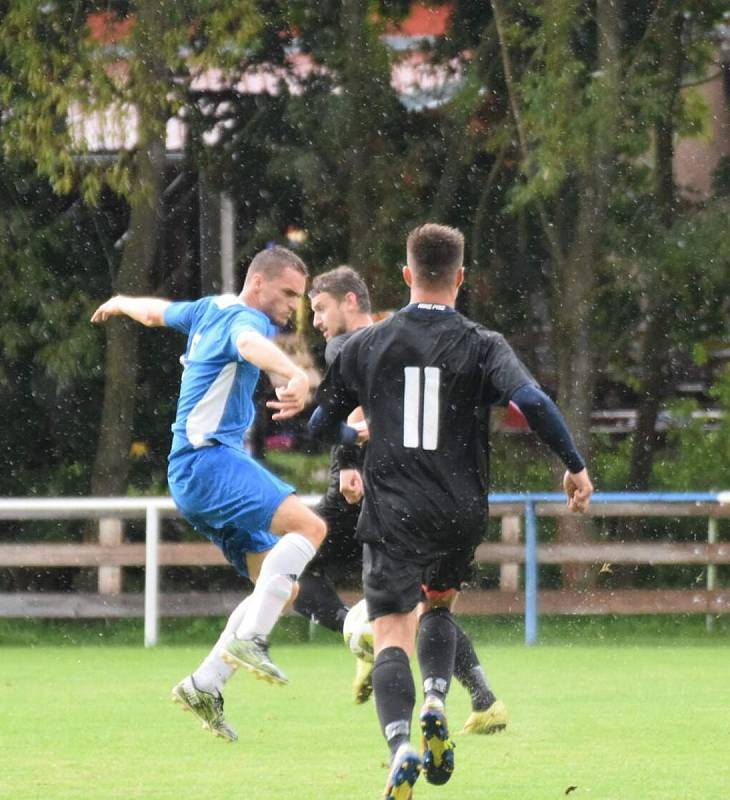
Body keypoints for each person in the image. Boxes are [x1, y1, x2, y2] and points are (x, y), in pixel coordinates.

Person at [309, 224, 593, 799]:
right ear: (461, 278)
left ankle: (401, 748)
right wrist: (574, 463)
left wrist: (355, 431)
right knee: (438, 606)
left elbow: (318, 427)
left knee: (391, 634)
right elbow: (531, 401)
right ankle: (438, 698)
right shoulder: (483, 343)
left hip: (394, 510)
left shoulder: (365, 344)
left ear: (407, 275)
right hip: (459, 508)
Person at [91, 245, 326, 743]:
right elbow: (247, 344)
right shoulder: (247, 319)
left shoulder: (206, 308)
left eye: (299, 298)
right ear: (258, 284)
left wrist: (120, 299)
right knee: (311, 527)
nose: (292, 307)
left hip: (190, 473)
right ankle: (251, 642)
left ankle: (205, 683)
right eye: (287, 294)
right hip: (209, 462)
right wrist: (294, 372)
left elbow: (156, 313)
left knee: (279, 589)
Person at [301, 265, 510, 737]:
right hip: (421, 490)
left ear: (350, 301)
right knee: (430, 600)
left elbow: (353, 412)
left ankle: (362, 638)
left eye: (320, 308)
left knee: (296, 572)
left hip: (372, 493)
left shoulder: (349, 345)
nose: (316, 321)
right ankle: (480, 693)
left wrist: (350, 460)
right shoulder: (398, 337)